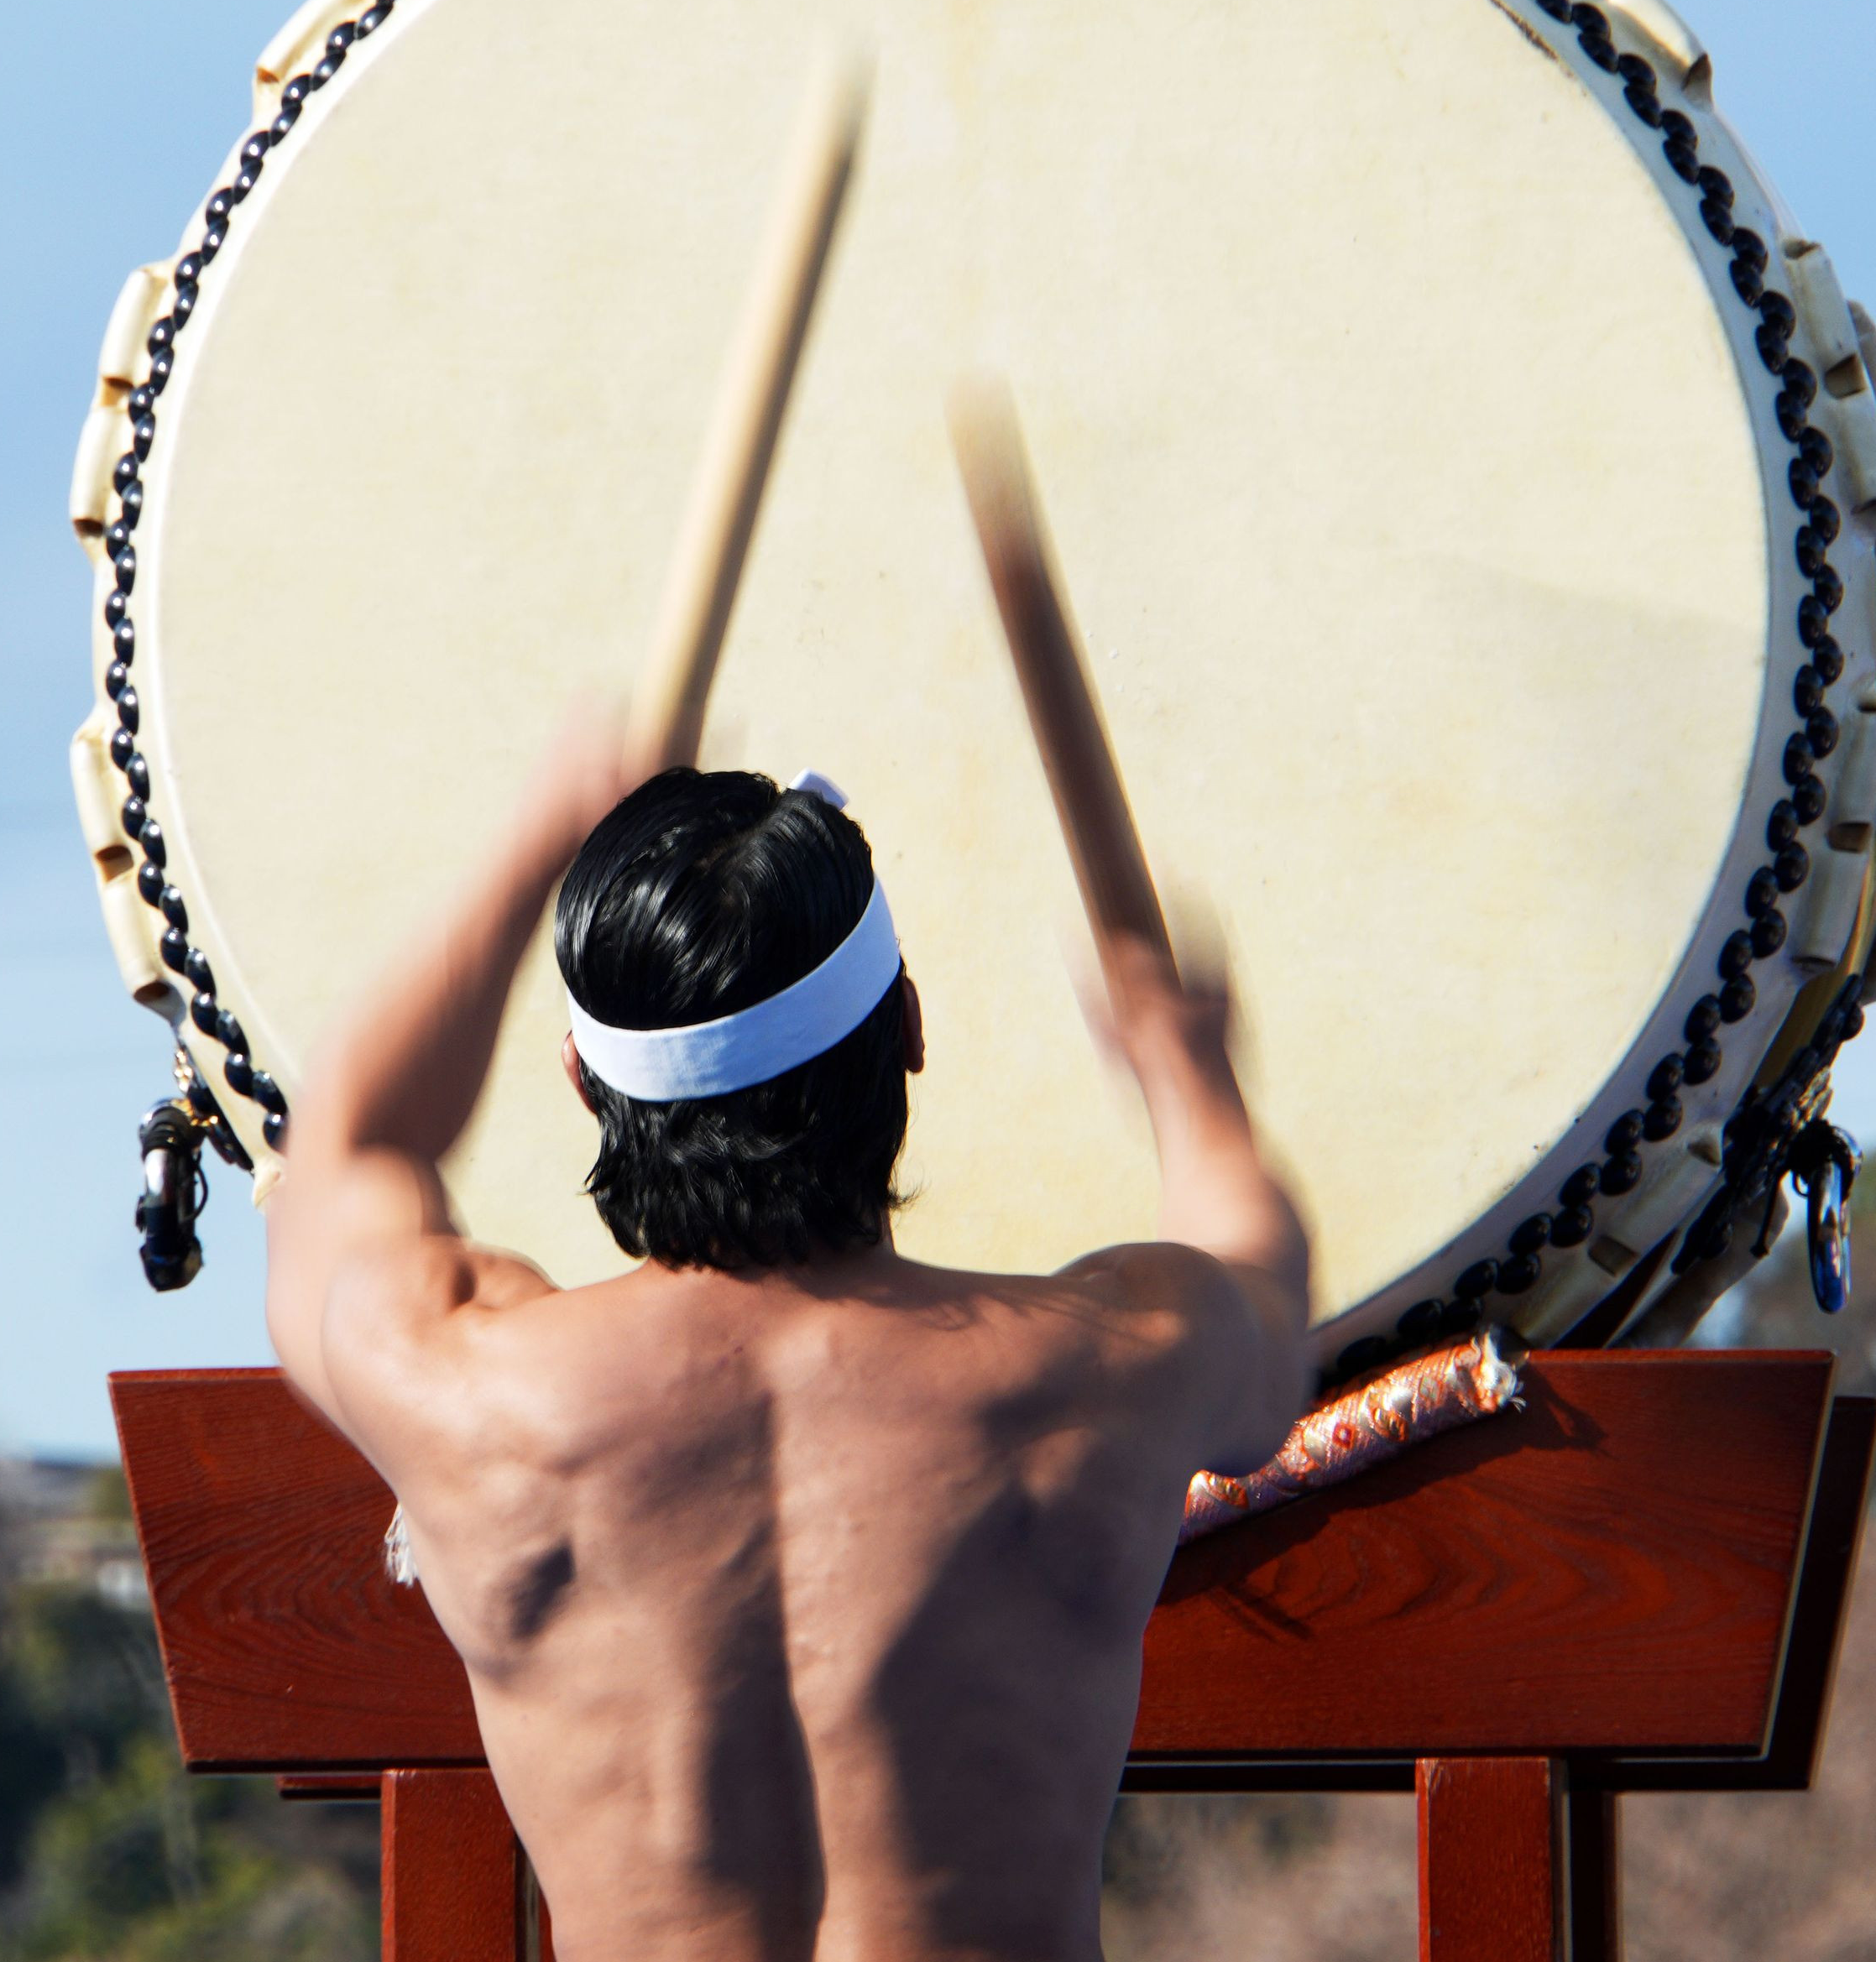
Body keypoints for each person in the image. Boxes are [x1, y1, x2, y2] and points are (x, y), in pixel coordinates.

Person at [264, 714, 1310, 1962]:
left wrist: (543, 835)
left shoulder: (462, 1382)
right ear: (907, 1028)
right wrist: (1184, 1067)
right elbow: (1262, 1294)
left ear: (584, 1082)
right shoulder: (1111, 1360)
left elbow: (348, 1142)